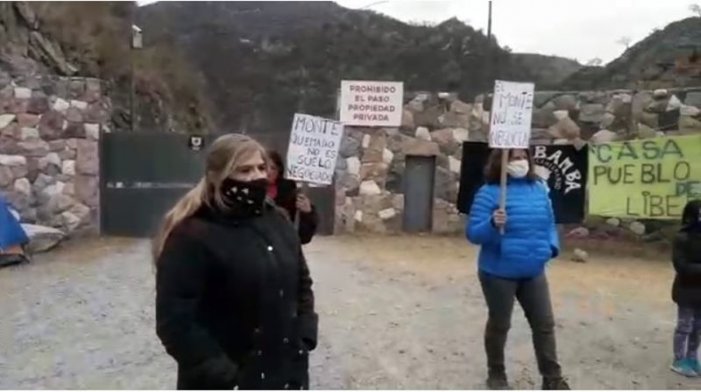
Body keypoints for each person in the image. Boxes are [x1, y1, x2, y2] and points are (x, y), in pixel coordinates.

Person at [153, 134, 318, 390]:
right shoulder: (192, 235)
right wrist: (227, 376)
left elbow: (301, 282)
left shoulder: (279, 221)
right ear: (218, 176)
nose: (256, 176)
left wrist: (305, 333)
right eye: (244, 170)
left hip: (285, 377)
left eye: (261, 168)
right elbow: (176, 322)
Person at [465, 148, 570, 390]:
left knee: (544, 324)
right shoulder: (490, 193)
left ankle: (552, 378)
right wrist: (492, 223)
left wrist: (550, 247)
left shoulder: (539, 190)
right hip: (498, 272)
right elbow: (473, 234)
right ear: (501, 163)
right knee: (500, 324)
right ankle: (497, 373)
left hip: (533, 270)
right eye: (513, 158)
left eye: (523, 157)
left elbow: (549, 224)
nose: (519, 162)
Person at [670, 199, 701, 377]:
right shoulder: (682, 238)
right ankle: (679, 359)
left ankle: (692, 358)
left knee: (698, 328)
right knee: (684, 327)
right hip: (686, 290)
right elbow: (681, 266)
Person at [267, 150, 319, 245]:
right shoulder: (247, 193)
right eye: (263, 167)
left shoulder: (290, 193)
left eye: (273, 168)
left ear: (279, 171)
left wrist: (307, 213)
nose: (268, 172)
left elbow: (303, 236)